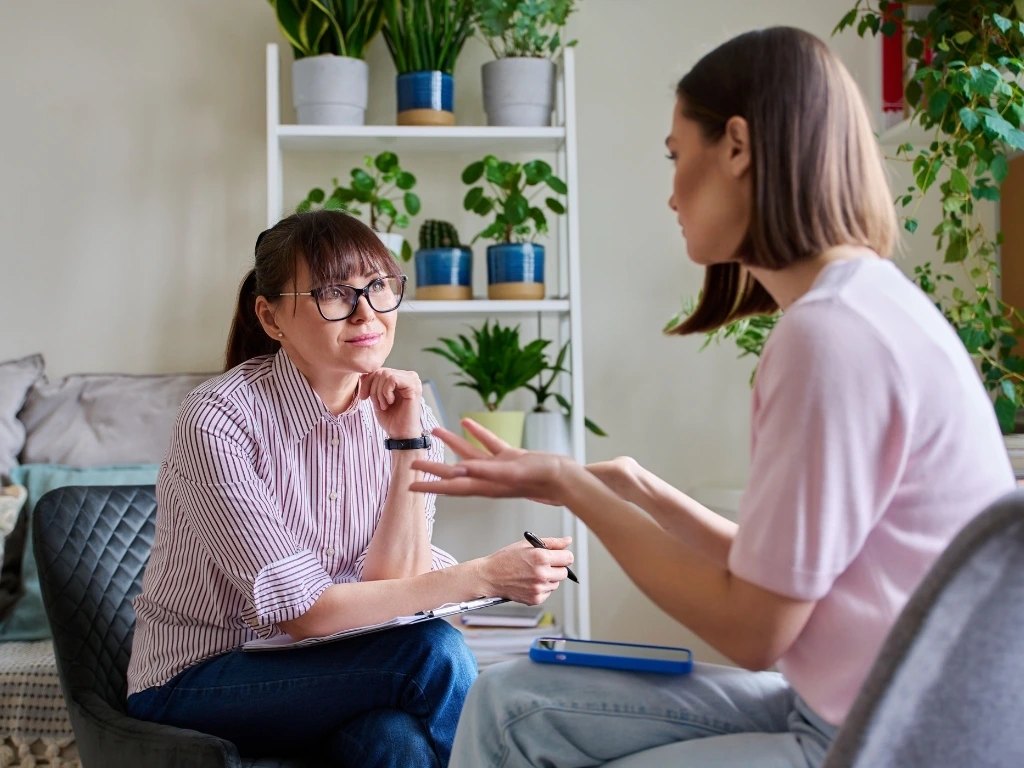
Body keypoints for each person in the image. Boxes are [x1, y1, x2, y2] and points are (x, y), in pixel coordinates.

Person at [408, 26, 1016, 768]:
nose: (670, 191)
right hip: (843, 706)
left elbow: (754, 629)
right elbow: (786, 575)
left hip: (885, 739)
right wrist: (638, 488)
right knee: (511, 705)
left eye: (675, 154)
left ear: (736, 146)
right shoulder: (861, 307)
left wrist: (575, 490)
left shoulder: (833, 336)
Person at [125, 210, 574, 767]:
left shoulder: (406, 413)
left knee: (396, 742)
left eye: (379, 287)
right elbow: (305, 614)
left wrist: (408, 442)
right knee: (432, 652)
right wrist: (479, 577)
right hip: (198, 678)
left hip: (331, 669)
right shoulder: (220, 419)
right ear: (271, 317)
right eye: (335, 294)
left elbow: (392, 590)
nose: (367, 313)